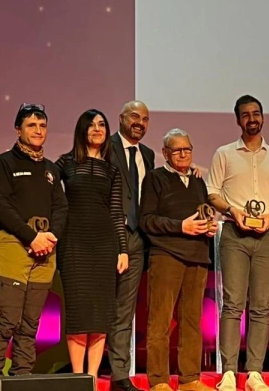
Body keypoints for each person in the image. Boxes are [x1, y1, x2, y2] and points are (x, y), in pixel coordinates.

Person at [0, 104, 69, 391]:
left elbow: (61, 207)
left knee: (31, 322)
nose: (38, 131)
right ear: (18, 130)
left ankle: (22, 377)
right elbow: (1, 208)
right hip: (14, 246)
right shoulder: (3, 163)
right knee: (8, 319)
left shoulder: (51, 169)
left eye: (42, 126)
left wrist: (51, 236)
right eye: (31, 125)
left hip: (46, 249)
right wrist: (31, 237)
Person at [206, 94, 269, 391]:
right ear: (238, 120)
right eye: (246, 115)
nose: (252, 119)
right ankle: (229, 371)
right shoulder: (224, 154)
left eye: (256, 114)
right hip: (234, 234)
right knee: (232, 304)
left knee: (262, 307)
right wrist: (232, 210)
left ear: (262, 117)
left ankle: (254, 371)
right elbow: (212, 193)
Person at [56, 109, 130, 381]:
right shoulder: (64, 163)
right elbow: (48, 195)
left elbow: (116, 212)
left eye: (102, 124)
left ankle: (93, 378)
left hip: (104, 245)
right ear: (82, 130)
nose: (97, 129)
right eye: (92, 125)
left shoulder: (112, 170)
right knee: (78, 314)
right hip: (73, 244)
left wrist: (123, 249)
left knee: (100, 316)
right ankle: (79, 380)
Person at [139, 128, 216, 391]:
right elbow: (147, 220)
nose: (183, 154)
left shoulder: (198, 180)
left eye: (187, 149)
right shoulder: (155, 178)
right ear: (165, 153)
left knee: (192, 321)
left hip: (198, 256)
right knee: (159, 321)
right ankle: (159, 381)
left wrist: (208, 227)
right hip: (166, 255)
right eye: (177, 150)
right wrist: (181, 226)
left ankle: (189, 379)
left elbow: (203, 213)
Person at [108, 101, 155, 391]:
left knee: (124, 310)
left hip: (137, 239)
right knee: (99, 306)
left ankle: (119, 375)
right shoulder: (105, 147)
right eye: (135, 117)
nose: (140, 123)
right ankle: (85, 372)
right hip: (107, 237)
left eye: (145, 119)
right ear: (121, 118)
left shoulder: (148, 155)